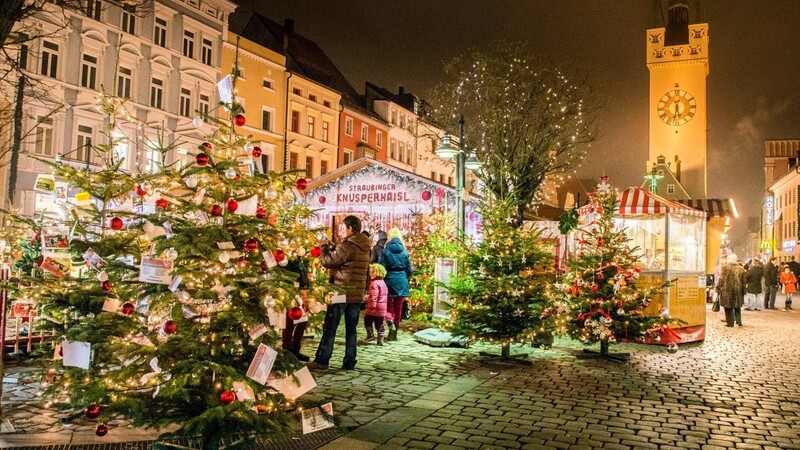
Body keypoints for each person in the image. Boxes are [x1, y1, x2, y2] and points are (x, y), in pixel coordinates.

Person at [309, 215, 371, 371]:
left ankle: (322, 360)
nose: (343, 231)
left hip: (341, 292)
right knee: (352, 328)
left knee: (330, 326)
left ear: (350, 228)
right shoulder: (365, 246)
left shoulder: (348, 245)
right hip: (356, 294)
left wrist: (324, 248)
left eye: (344, 227)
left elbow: (328, 262)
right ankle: (350, 361)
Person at [379, 227, 413, 341]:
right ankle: (396, 329)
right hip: (402, 281)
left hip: (389, 280)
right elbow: (409, 270)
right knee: (398, 308)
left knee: (388, 307)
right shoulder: (405, 252)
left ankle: (390, 324)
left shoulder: (385, 251)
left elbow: (381, 266)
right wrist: (404, 277)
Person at [282, 258, 311, 361]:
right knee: (289, 322)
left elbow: (303, 274)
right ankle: (287, 350)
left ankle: (296, 349)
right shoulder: (287, 259)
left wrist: (307, 287)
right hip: (290, 292)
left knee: (303, 321)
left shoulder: (300, 258)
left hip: (302, 292)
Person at [717, 253, 745, 327]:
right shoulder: (741, 269)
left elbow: (721, 279)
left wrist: (718, 288)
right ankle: (739, 321)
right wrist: (743, 291)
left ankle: (730, 323)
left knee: (728, 307)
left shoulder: (725, 268)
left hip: (727, 290)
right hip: (737, 290)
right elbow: (743, 281)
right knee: (737, 306)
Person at [364, 263, 388, 345]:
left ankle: (370, 335)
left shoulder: (374, 283)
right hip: (381, 308)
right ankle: (380, 338)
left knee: (367, 320)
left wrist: (372, 305)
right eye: (370, 272)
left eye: (373, 272)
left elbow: (374, 296)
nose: (370, 273)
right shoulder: (383, 282)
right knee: (379, 323)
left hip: (374, 308)